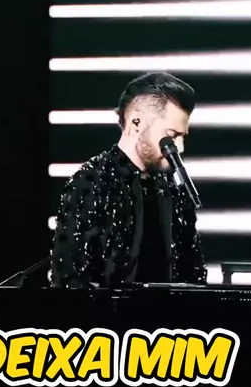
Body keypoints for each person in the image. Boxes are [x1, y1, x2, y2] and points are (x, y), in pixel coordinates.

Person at [51, 72, 207, 288]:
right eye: (172, 136)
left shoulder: (175, 188)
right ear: (136, 122)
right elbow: (70, 279)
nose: (179, 148)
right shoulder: (92, 182)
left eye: (183, 137)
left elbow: (193, 272)